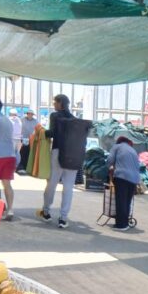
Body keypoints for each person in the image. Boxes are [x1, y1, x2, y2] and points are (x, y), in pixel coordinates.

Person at [37, 94, 85, 229]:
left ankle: (46, 212)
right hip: (73, 155)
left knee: (52, 183)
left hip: (58, 152)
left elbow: (51, 133)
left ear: (60, 103)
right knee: (68, 187)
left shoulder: (55, 116)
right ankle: (63, 218)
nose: (54, 105)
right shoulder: (75, 119)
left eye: (55, 102)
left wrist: (41, 131)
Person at [106, 136, 139, 231]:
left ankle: (121, 225)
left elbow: (110, 160)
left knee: (121, 201)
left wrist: (108, 168)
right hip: (134, 179)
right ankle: (125, 223)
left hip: (122, 176)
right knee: (127, 201)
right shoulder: (133, 150)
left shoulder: (117, 147)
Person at [17, 108, 38, 174]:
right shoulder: (22, 120)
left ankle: (27, 167)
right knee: (22, 152)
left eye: (31, 114)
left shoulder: (35, 121)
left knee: (29, 153)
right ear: (27, 114)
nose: (30, 115)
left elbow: (37, 129)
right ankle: (21, 167)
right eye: (29, 114)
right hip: (23, 138)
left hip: (32, 139)